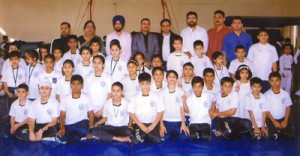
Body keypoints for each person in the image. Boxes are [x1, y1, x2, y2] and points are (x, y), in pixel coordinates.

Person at [56, 75, 94, 144]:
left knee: (84, 132)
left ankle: (74, 137)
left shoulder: (86, 98)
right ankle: (76, 138)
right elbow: (62, 115)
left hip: (82, 124)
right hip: (69, 125)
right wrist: (62, 128)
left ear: (82, 86)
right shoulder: (65, 98)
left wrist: (91, 130)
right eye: (73, 84)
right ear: (70, 85)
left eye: (78, 84)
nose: (76, 86)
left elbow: (91, 114)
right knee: (61, 138)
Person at [128, 73, 165, 144]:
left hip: (152, 123)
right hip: (139, 124)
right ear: (139, 84)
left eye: (147, 83)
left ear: (150, 84)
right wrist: (141, 126)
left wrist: (153, 126)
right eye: (142, 84)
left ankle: (148, 134)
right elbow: (131, 113)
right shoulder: (135, 97)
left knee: (157, 141)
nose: (145, 86)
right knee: (137, 141)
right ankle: (144, 134)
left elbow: (160, 112)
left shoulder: (156, 96)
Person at [160, 70, 189, 141]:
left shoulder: (181, 91)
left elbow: (183, 110)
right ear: (166, 79)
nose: (172, 79)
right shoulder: (161, 93)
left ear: (176, 79)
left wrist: (183, 124)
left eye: (174, 77)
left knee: (185, 137)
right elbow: (160, 111)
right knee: (163, 138)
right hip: (166, 121)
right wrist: (161, 125)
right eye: (170, 77)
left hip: (178, 121)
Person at [183, 76, 215, 142]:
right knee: (194, 138)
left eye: (199, 86)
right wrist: (184, 101)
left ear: (202, 87)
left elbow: (214, 100)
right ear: (192, 87)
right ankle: (196, 132)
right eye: (195, 86)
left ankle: (203, 132)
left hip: (205, 122)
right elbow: (187, 111)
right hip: (194, 122)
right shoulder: (189, 98)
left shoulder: (208, 95)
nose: (197, 89)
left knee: (206, 138)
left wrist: (212, 109)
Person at [265, 72, 296, 139]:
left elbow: (288, 108)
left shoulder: (285, 94)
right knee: (274, 137)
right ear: (269, 82)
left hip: (283, 118)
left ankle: (281, 129)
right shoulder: (266, 95)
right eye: (272, 81)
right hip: (272, 119)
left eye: (277, 80)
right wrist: (274, 121)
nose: (274, 83)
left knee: (290, 136)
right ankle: (274, 130)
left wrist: (285, 121)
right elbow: (266, 110)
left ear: (280, 81)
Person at [247, 28, 278, 93]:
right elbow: (249, 63)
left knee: (267, 96)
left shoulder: (272, 48)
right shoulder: (253, 47)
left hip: (268, 77)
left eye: (265, 35)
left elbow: (274, 64)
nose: (263, 37)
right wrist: (249, 76)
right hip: (255, 77)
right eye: (261, 35)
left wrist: (275, 76)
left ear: (268, 36)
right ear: (258, 37)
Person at [84, 55, 112, 122]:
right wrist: (89, 110)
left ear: (103, 65)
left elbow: (110, 96)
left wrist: (102, 110)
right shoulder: (88, 77)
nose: (96, 65)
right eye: (94, 62)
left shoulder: (108, 78)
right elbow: (85, 95)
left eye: (99, 63)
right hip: (90, 111)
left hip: (103, 112)